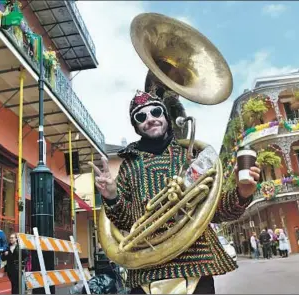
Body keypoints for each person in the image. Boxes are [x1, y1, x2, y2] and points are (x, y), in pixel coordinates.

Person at [91, 90, 261, 294]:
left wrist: (242, 193)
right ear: (136, 125)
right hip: (147, 270)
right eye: (141, 116)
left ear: (165, 116)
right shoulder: (128, 166)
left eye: (156, 112)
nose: (150, 119)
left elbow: (216, 211)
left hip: (196, 263)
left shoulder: (193, 155)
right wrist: (111, 197)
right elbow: (129, 223)